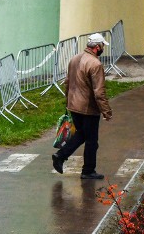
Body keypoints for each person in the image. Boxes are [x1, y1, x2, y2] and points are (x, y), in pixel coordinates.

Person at [52, 33, 113, 179]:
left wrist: (68, 102)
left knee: (81, 134)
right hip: (88, 108)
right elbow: (99, 92)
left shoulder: (74, 59)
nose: (103, 48)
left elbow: (68, 82)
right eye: (102, 46)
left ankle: (61, 156)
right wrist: (106, 111)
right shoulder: (95, 64)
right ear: (97, 47)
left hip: (74, 105)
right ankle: (87, 171)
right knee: (92, 141)